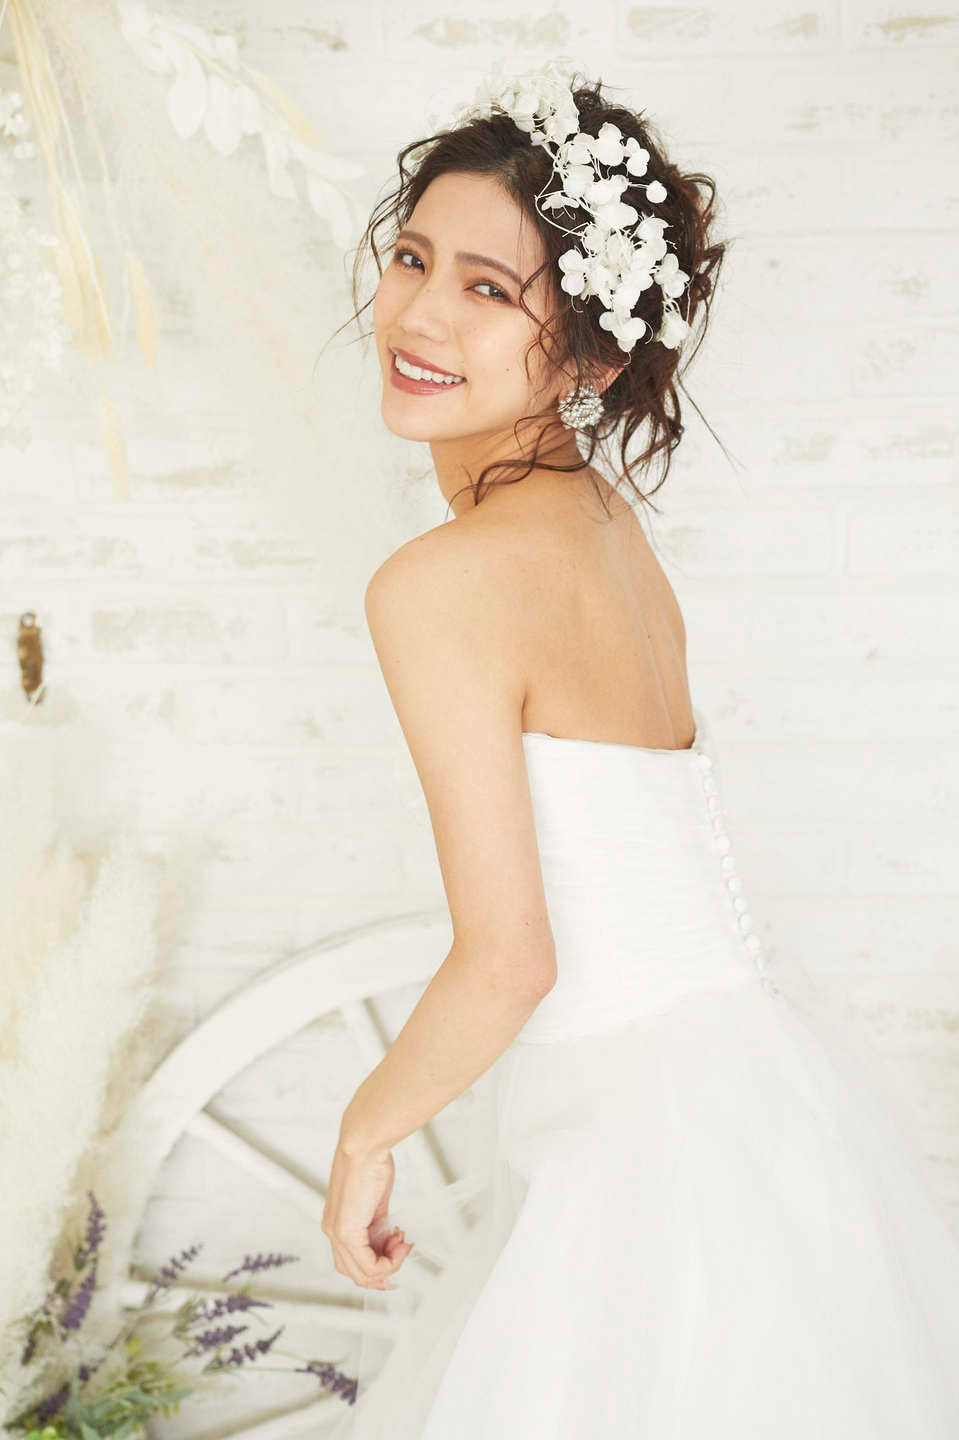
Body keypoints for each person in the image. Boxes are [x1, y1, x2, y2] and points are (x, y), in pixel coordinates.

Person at [321, 58, 959, 1438]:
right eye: (412, 257)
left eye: (490, 290)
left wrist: (367, 1130)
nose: (419, 313)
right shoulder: (607, 526)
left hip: (637, 1147)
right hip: (757, 1096)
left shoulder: (442, 582)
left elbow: (511, 958)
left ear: (593, 357)